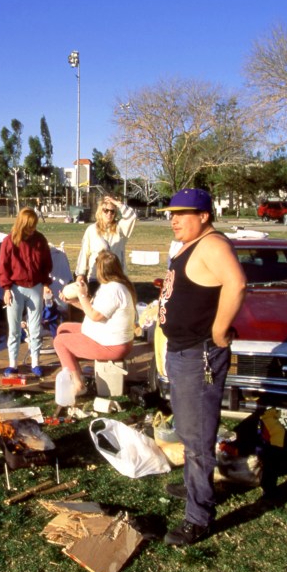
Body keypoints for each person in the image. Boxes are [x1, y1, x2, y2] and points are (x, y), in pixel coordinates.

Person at [157, 188, 246, 546]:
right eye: (171, 213)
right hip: (182, 352)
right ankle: (198, 486)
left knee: (198, 441)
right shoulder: (191, 245)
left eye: (182, 213)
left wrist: (220, 329)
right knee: (188, 430)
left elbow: (237, 283)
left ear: (204, 215)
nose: (173, 219)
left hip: (200, 355)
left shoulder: (213, 244)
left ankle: (199, 517)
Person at [54, 251, 137, 397]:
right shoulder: (113, 286)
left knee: (60, 342)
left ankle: (78, 383)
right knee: (63, 328)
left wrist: (82, 295)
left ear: (101, 270)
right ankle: (77, 373)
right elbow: (92, 310)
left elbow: (94, 315)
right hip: (107, 336)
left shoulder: (114, 290)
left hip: (112, 345)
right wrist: (73, 302)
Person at [0, 207, 53, 378]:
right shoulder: (9, 241)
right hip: (15, 288)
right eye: (29, 226)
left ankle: (35, 362)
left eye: (34, 225)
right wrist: (6, 289)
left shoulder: (40, 240)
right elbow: (3, 267)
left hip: (35, 287)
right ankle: (13, 364)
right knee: (14, 328)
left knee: (35, 327)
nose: (32, 229)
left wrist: (45, 284)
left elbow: (46, 264)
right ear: (22, 224)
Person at [75, 194, 137, 294]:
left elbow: (131, 216)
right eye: (106, 210)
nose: (109, 213)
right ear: (100, 211)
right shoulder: (91, 230)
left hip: (116, 278)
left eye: (112, 211)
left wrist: (117, 203)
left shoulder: (121, 229)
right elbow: (84, 253)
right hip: (96, 277)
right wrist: (80, 274)